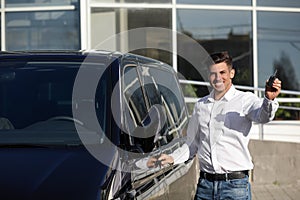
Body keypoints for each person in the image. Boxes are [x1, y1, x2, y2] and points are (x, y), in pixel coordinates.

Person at [186, 51, 281, 200]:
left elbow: (263, 116)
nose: (218, 78)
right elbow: (191, 144)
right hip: (205, 186)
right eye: (213, 73)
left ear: (232, 73)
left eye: (222, 72)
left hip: (235, 187)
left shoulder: (245, 99)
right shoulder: (201, 105)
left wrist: (268, 100)